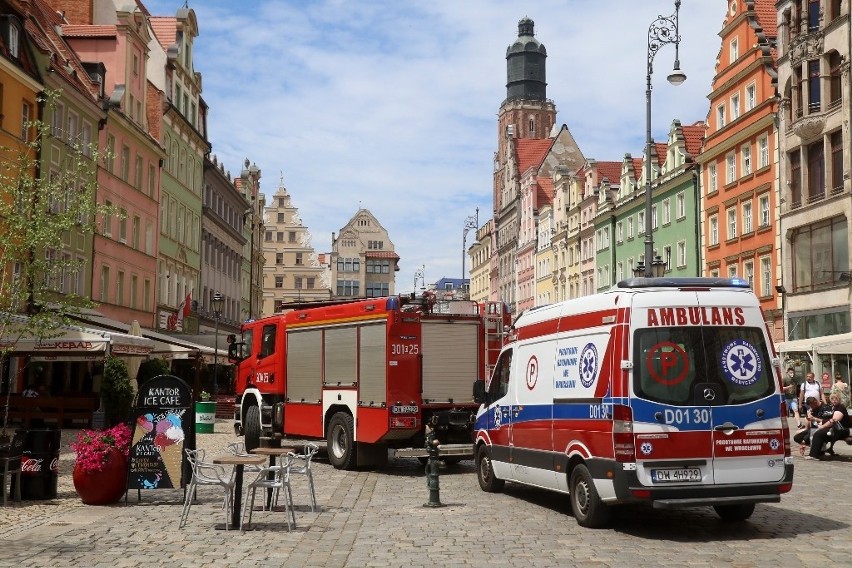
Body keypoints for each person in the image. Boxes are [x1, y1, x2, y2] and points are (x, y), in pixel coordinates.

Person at [806, 392, 851, 460]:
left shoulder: (840, 407)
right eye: (832, 399)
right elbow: (826, 420)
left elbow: (834, 420)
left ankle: (814, 455)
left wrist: (822, 426)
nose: (834, 400)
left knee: (819, 433)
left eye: (836, 399)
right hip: (834, 429)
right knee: (815, 431)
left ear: (839, 399)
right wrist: (816, 421)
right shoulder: (833, 407)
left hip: (842, 430)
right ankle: (819, 453)